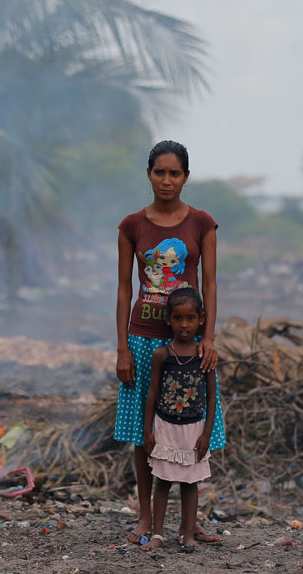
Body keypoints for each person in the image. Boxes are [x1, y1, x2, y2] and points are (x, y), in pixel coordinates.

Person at [115, 140, 225, 546]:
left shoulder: (202, 223)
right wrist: (123, 348)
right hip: (143, 340)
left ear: (186, 177)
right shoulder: (132, 226)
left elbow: (210, 284)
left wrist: (208, 336)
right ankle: (146, 518)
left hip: (189, 344)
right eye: (159, 172)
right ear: (148, 175)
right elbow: (125, 291)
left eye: (174, 173)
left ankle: (190, 522)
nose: (166, 180)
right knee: (145, 433)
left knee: (195, 427)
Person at [140, 287, 215, 551]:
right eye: (178, 318)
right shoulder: (162, 355)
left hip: (193, 429)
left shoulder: (204, 356)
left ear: (201, 319)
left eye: (190, 318)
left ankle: (188, 535)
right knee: (163, 481)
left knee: (190, 483)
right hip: (165, 426)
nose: (184, 325)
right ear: (168, 320)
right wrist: (148, 430)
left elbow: (212, 397)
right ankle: (158, 535)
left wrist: (207, 433)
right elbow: (152, 392)